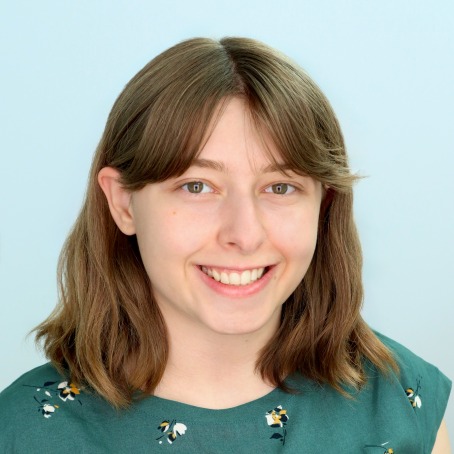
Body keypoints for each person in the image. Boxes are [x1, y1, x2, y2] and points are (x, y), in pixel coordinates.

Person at [0, 37, 451, 453]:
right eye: (197, 186)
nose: (244, 234)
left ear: (323, 204)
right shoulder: (25, 431)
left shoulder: (399, 400)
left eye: (280, 187)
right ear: (124, 203)